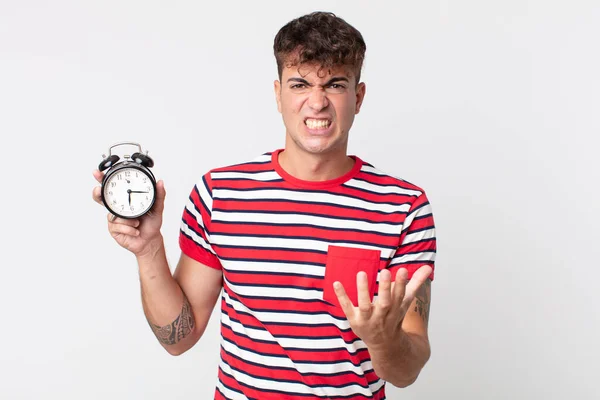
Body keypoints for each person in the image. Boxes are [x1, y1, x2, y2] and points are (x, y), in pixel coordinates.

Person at [92, 11, 436, 400]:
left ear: (358, 97)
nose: (317, 103)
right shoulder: (219, 195)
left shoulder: (405, 208)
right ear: (278, 94)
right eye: (300, 84)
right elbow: (178, 339)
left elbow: (408, 370)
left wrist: (381, 340)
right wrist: (149, 249)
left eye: (335, 84)